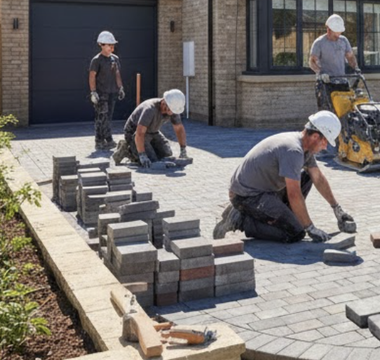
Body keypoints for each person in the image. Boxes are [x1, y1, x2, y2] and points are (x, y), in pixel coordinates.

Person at [215, 110, 356, 243]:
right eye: (325, 142)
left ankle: (284, 217)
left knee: (308, 177)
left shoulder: (305, 148)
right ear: (315, 136)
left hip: (265, 191)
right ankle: (241, 220)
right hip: (246, 196)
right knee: (295, 232)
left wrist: (336, 208)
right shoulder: (293, 150)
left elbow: (318, 178)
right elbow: (294, 194)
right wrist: (310, 227)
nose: (325, 147)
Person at [112, 89, 189, 167]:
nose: (171, 113)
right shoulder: (150, 109)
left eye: (173, 111)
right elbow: (140, 133)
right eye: (169, 109)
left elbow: (179, 129)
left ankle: (142, 150)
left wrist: (183, 149)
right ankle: (128, 150)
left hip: (152, 131)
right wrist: (142, 155)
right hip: (134, 132)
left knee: (166, 155)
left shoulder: (173, 109)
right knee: (150, 161)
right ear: (163, 102)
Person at [309, 14, 358, 111]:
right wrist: (320, 73)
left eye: (339, 33)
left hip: (342, 81)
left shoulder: (343, 41)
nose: (338, 36)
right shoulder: (319, 43)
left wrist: (356, 69)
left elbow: (350, 57)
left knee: (346, 110)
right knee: (328, 112)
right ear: (328, 30)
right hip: (325, 83)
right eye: (335, 34)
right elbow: (312, 62)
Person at [88, 31, 125, 150]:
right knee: (101, 117)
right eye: (109, 45)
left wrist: (120, 87)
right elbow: (92, 76)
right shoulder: (96, 60)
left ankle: (108, 139)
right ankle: (99, 141)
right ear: (101, 45)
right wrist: (93, 92)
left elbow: (117, 74)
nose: (112, 47)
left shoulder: (115, 59)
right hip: (101, 94)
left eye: (112, 45)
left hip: (112, 92)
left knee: (108, 117)